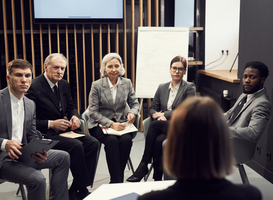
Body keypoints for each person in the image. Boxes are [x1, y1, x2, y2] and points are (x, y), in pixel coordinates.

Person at [138, 96, 262, 200]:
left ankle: (145, 164)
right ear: (223, 147)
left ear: (173, 149)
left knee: (156, 129)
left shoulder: (148, 199)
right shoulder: (250, 195)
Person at [26, 53, 99, 200]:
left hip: (64, 130)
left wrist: (75, 116)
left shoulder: (64, 84)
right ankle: (82, 189)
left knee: (93, 143)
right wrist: (51, 123)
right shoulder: (33, 86)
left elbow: (71, 107)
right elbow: (28, 121)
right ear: (46, 67)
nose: (60, 71)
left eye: (62, 68)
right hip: (44, 133)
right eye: (56, 67)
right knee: (76, 146)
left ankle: (76, 187)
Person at [0, 59, 70, 200]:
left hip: (23, 153)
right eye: (19, 75)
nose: (24, 80)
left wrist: (39, 150)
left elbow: (32, 134)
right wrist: (4, 143)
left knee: (63, 157)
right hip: (3, 159)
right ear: (8, 78)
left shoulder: (30, 104)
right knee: (38, 179)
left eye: (27, 76)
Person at [127, 56, 196, 182]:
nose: (177, 71)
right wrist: (155, 114)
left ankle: (144, 164)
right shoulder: (162, 87)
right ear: (169, 69)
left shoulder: (189, 87)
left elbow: (187, 110)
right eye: (174, 68)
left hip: (182, 126)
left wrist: (164, 114)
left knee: (154, 126)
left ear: (185, 71)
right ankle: (157, 178)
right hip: (164, 127)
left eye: (180, 69)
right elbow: (152, 107)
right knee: (159, 141)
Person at [87, 53, 139, 183]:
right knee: (112, 141)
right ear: (104, 68)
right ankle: (117, 182)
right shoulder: (97, 85)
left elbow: (135, 103)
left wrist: (132, 112)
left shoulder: (127, 83)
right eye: (110, 66)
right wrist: (111, 124)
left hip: (121, 124)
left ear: (121, 66)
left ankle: (115, 181)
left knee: (127, 140)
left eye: (117, 65)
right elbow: (93, 112)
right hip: (99, 124)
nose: (114, 69)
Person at [224, 61, 271, 143]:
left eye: (252, 77)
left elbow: (253, 133)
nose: (247, 80)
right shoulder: (244, 94)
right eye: (245, 77)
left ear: (262, 80)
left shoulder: (262, 103)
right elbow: (230, 113)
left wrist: (223, 130)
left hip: (235, 145)